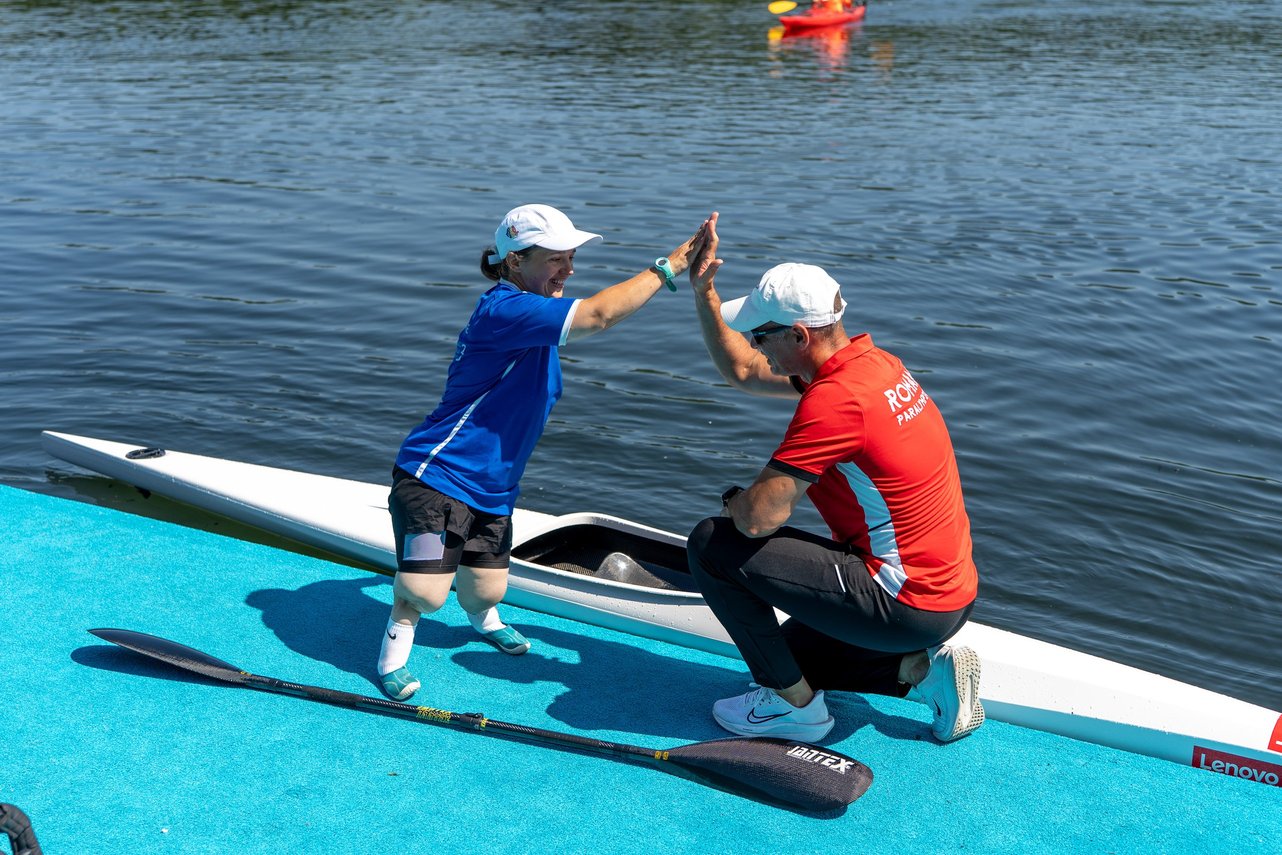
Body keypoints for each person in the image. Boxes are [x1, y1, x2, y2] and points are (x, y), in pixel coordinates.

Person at [378, 204, 712, 701]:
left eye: (572, 257)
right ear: (514, 261)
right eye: (556, 258)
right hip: (437, 478)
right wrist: (671, 266)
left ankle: (486, 620)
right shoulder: (504, 310)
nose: (569, 270)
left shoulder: (533, 318)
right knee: (425, 595)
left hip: (493, 489)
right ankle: (391, 654)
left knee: (485, 592)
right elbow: (598, 315)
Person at [683, 223, 983, 744]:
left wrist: (736, 503)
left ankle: (794, 710)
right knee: (792, 658)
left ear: (800, 336)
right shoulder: (876, 366)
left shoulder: (836, 402)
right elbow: (744, 371)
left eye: (762, 336)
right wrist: (704, 292)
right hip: (948, 595)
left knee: (713, 543)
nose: (756, 346)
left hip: (902, 601)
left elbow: (757, 520)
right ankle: (919, 670)